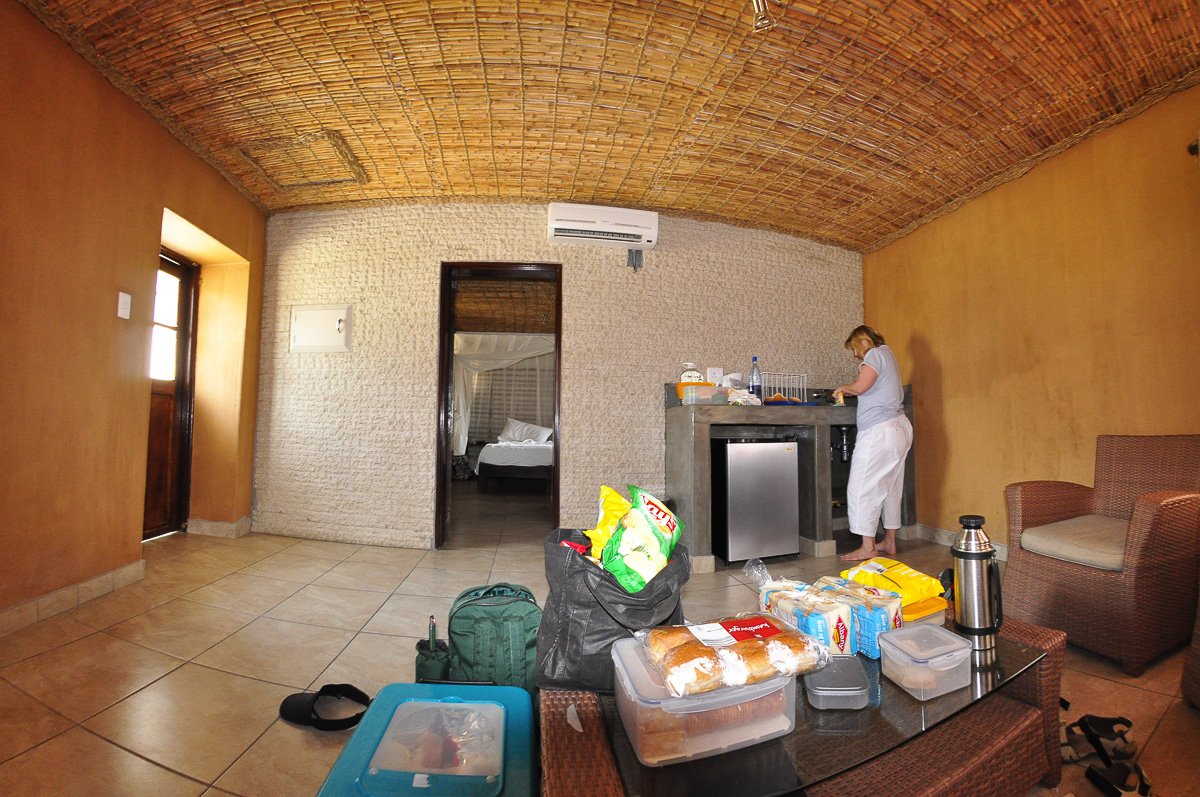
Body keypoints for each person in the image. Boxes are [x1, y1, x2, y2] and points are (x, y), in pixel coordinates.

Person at [833, 325, 913, 561]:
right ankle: (889, 541)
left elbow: (861, 386)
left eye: (855, 349)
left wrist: (843, 389)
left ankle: (868, 547)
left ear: (864, 342)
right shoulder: (888, 354)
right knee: (890, 487)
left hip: (881, 431)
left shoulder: (875, 354)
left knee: (861, 487)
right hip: (898, 427)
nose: (856, 355)